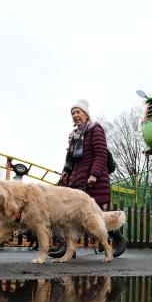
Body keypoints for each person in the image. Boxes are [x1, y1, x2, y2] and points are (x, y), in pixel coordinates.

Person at [50, 99, 127, 258]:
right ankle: (68, 248)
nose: (75, 115)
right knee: (70, 215)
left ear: (86, 114)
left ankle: (119, 239)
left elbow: (101, 154)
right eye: (73, 113)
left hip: (94, 180)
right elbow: (70, 159)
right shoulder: (74, 136)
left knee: (97, 215)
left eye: (78, 112)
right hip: (77, 180)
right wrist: (65, 173)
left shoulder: (95, 129)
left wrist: (94, 174)